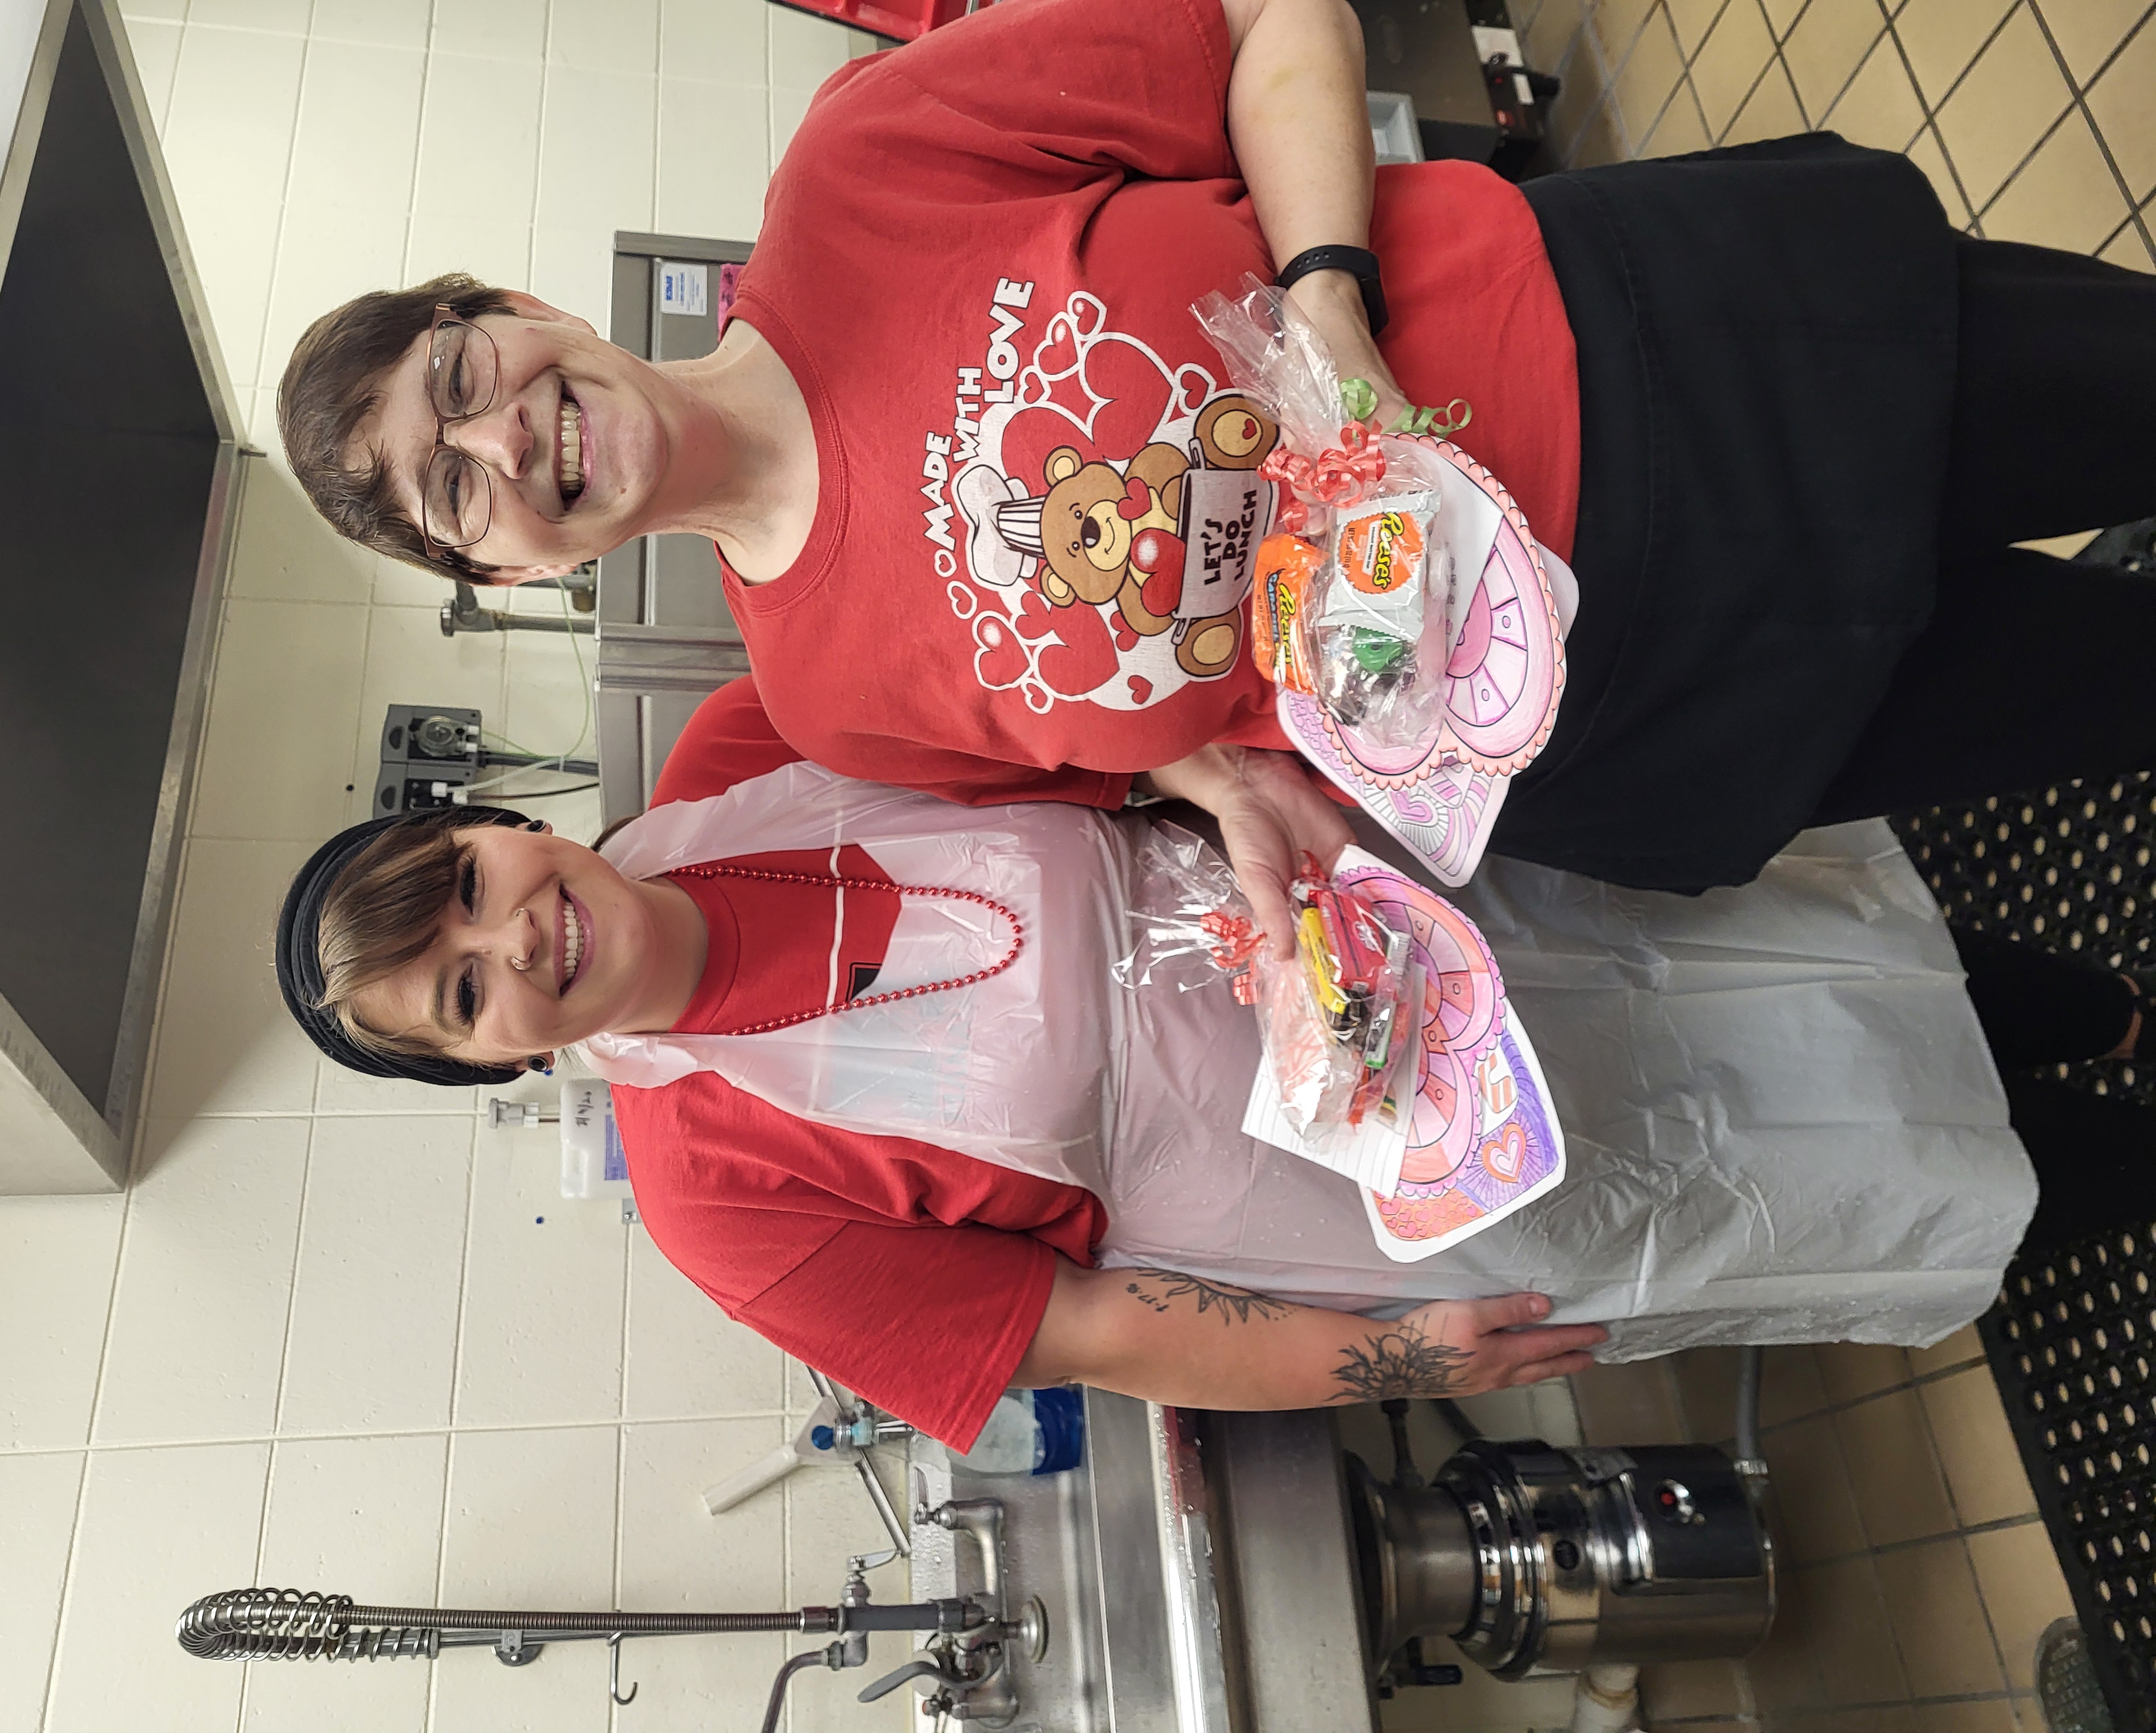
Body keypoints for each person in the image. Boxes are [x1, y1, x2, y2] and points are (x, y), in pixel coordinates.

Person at [273, 0, 2156, 933]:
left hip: (1680, 361)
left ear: (518, 307)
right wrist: (1242, 804)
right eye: (453, 484)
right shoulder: (826, 696)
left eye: (464, 371)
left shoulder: (856, 178)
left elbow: (1266, 20)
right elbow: (1154, 735)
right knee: (2113, 691)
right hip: (1629, 703)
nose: (502, 433)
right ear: (510, 571)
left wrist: (1327, 302)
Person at [271, 682, 2096, 1451]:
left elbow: (1097, 726)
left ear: (502, 830)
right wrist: (1397, 1358)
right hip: (1369, 1186)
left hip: (1386, 913)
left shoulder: (760, 739)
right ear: (499, 1063)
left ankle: (2118, 1015)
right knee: (1778, 1172)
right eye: (455, 996)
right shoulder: (720, 1205)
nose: (505, 944)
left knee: (1778, 969)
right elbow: (1102, 1331)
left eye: (462, 891)